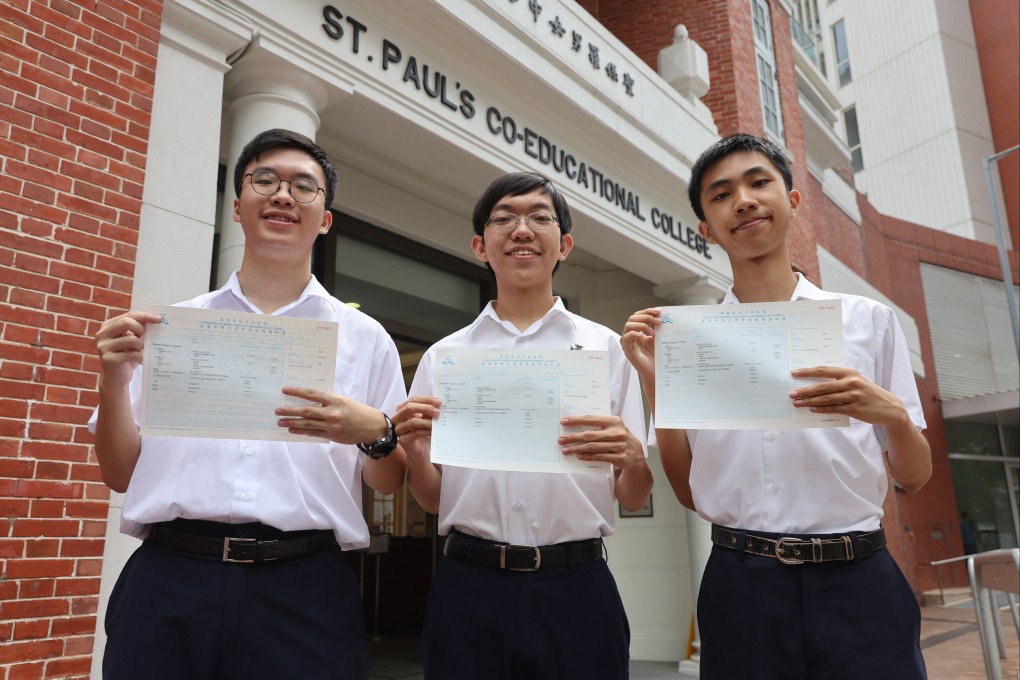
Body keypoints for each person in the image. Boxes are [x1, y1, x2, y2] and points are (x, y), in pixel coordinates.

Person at [88, 129, 407, 680]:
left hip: (306, 586)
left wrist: (374, 428)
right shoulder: (172, 327)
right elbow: (119, 473)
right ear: (237, 206)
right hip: (169, 579)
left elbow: (388, 481)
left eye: (304, 187)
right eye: (265, 180)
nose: (283, 195)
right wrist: (113, 381)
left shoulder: (365, 337)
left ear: (324, 219)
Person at [622, 134, 932, 679]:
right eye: (721, 195)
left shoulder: (865, 321)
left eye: (758, 182)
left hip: (860, 580)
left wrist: (893, 415)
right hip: (742, 585)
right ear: (706, 229)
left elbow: (916, 475)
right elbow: (691, 493)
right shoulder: (695, 342)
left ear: (792, 200)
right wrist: (658, 385)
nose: (742, 200)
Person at [391, 171, 653, 679]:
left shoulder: (607, 351)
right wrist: (418, 454)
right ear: (480, 245)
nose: (522, 230)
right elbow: (430, 498)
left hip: (577, 586)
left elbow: (636, 496)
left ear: (565, 245)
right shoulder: (445, 357)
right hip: (468, 586)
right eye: (504, 219)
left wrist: (634, 456)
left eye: (539, 218)